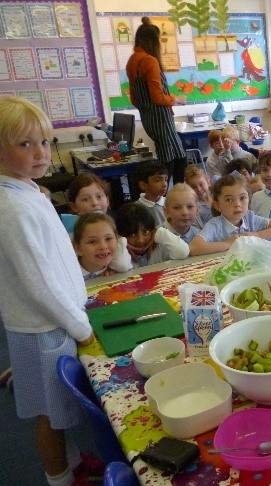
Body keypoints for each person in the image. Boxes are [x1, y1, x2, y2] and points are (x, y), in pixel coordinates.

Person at [0, 95, 97, 486]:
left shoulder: (28, 192)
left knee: (59, 407)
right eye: (25, 144)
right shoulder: (14, 208)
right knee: (49, 415)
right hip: (45, 327)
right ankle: (60, 479)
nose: (41, 153)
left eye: (43, 141)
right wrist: (80, 326)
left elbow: (53, 255)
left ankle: (70, 463)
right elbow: (38, 282)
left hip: (54, 321)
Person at [126, 17, 187, 184]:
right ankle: (168, 197)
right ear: (154, 41)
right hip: (160, 118)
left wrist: (147, 110)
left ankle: (169, 196)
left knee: (177, 156)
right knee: (174, 161)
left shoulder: (132, 60)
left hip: (148, 118)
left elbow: (134, 98)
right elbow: (158, 97)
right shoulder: (149, 61)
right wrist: (177, 99)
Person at [189, 174, 271, 256]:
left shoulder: (250, 218)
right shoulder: (216, 225)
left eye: (242, 198)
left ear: (249, 200)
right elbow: (194, 248)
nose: (237, 204)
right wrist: (228, 244)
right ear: (217, 205)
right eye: (229, 200)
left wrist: (257, 235)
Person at [115, 202, 189, 267]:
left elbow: (183, 252)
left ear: (152, 231)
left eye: (146, 232)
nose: (140, 240)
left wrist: (159, 233)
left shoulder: (160, 246)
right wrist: (121, 243)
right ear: (121, 234)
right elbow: (121, 266)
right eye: (132, 234)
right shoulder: (121, 252)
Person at [72, 212, 133, 279]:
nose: (103, 246)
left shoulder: (118, 269)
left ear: (117, 241)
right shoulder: (69, 272)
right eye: (92, 241)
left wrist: (120, 268)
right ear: (78, 248)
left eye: (108, 238)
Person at [134, 160, 168, 228]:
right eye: (157, 180)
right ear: (143, 185)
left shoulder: (170, 203)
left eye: (166, 180)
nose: (165, 184)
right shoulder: (136, 209)